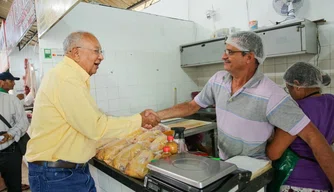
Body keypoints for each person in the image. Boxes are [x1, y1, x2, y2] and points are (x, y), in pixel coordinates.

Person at [147, 31, 334, 186]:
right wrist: (157, 115)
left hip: (253, 172)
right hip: (225, 166)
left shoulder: (273, 95)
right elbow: (191, 106)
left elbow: (313, 137)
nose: (223, 56)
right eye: (225, 51)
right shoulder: (218, 80)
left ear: (249, 57)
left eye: (230, 52)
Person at [25, 31, 160, 192]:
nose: (101, 57)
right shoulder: (66, 79)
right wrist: (140, 120)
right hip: (57, 176)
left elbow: (89, 118)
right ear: (76, 53)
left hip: (67, 172)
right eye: (96, 51)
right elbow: (95, 127)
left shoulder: (69, 77)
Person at [267, 62, 334, 192]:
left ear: (297, 85)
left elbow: (274, 153)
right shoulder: (331, 101)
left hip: (297, 182)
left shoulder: (296, 110)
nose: (289, 94)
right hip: (325, 179)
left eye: (289, 88)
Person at [0, 89, 30, 192]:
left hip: (10, 149)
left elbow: (23, 123)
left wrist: (10, 134)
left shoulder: (11, 100)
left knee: (14, 187)